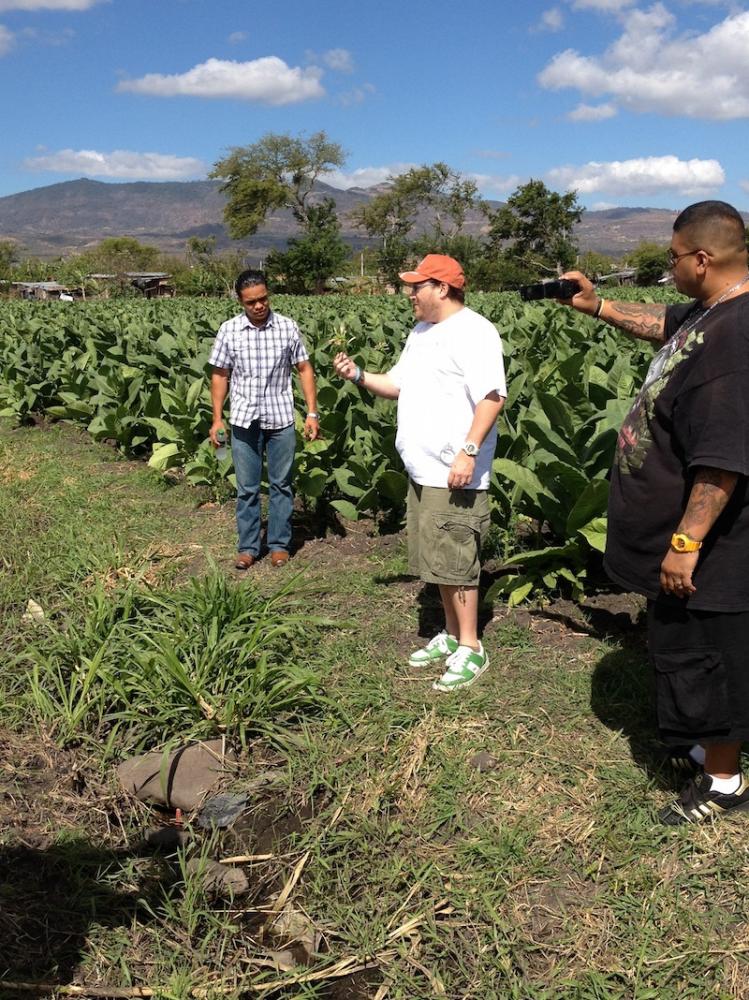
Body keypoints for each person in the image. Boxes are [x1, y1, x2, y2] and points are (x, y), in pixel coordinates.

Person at [561, 200, 749, 825]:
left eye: (672, 258)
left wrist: (686, 543)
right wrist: (597, 305)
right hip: (686, 540)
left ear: (703, 259)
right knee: (684, 648)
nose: (667, 270)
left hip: (713, 550)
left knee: (710, 655)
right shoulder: (709, 312)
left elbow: (722, 459)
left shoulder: (735, 340)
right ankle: (704, 748)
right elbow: (662, 321)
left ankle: (723, 780)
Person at [334, 254, 507, 692]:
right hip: (423, 467)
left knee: (457, 558)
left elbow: (491, 397)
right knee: (438, 559)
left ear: (442, 289)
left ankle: (471, 646)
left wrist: (468, 453)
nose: (409, 294)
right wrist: (357, 375)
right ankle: (451, 635)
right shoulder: (422, 332)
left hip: (454, 468)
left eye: (417, 286)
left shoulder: (475, 331)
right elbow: (397, 385)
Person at [208, 269, 319, 568]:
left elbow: (304, 368)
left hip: (281, 417)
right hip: (244, 419)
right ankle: (248, 547)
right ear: (240, 302)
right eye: (251, 302)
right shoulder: (229, 331)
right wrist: (217, 419)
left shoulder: (287, 328)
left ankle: (279, 544)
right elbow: (219, 375)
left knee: (282, 484)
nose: (258, 306)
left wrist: (311, 412)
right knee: (247, 487)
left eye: (263, 299)